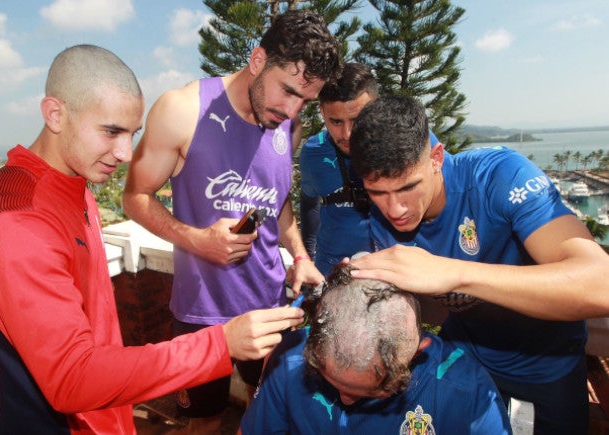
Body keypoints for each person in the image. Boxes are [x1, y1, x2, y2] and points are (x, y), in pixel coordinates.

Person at [0, 44, 305, 435]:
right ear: (55, 114)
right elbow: (72, 378)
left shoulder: (71, 185)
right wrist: (219, 344)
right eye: (111, 131)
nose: (125, 153)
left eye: (132, 134)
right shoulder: (13, 221)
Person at [122, 9, 339, 435]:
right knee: (204, 421)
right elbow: (134, 197)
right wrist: (197, 240)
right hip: (201, 314)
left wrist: (299, 254)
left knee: (273, 414)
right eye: (288, 91)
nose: (293, 108)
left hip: (272, 305)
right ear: (258, 60)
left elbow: (278, 204)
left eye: (305, 101)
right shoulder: (182, 110)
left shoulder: (288, 123)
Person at [348, 94, 609, 434]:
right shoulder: (382, 224)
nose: (395, 209)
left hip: (545, 368)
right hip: (463, 360)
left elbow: (600, 283)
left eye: (408, 187)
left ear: (436, 158)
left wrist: (453, 273)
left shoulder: (498, 177)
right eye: (377, 192)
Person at [239, 263, 512, 434]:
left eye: (372, 390)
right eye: (332, 381)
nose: (345, 400)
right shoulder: (290, 357)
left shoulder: (466, 392)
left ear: (417, 352)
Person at [299, 63, 441, 276]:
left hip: (398, 272)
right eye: (336, 121)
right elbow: (308, 203)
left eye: (356, 119)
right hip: (334, 272)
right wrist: (307, 256)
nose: (347, 133)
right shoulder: (313, 153)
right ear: (322, 112)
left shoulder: (413, 141)